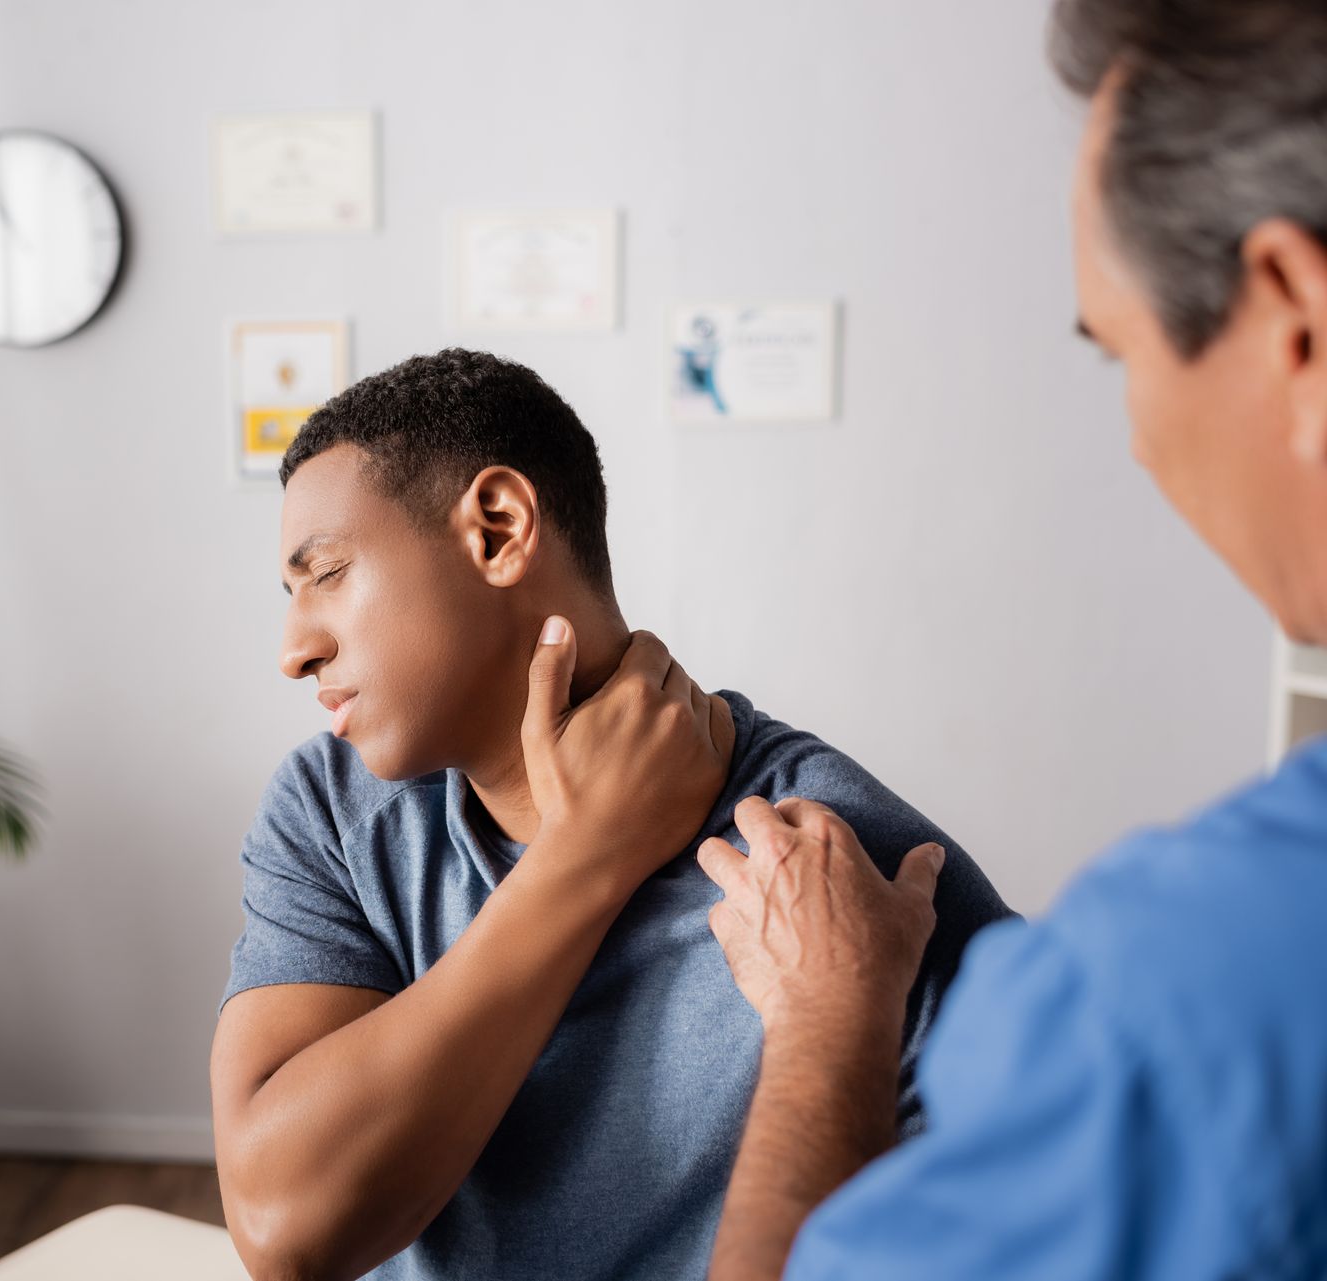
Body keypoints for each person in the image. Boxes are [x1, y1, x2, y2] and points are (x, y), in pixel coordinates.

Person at [695, 3, 1327, 1278]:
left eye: (1120, 355)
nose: (1143, 438)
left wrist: (828, 1024)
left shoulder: (1174, 1004)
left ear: (1296, 321)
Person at [208, 348, 1013, 1281]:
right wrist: (581, 859)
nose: (293, 649)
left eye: (330, 573)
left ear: (499, 530)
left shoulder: (836, 868)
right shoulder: (330, 811)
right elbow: (283, 1229)